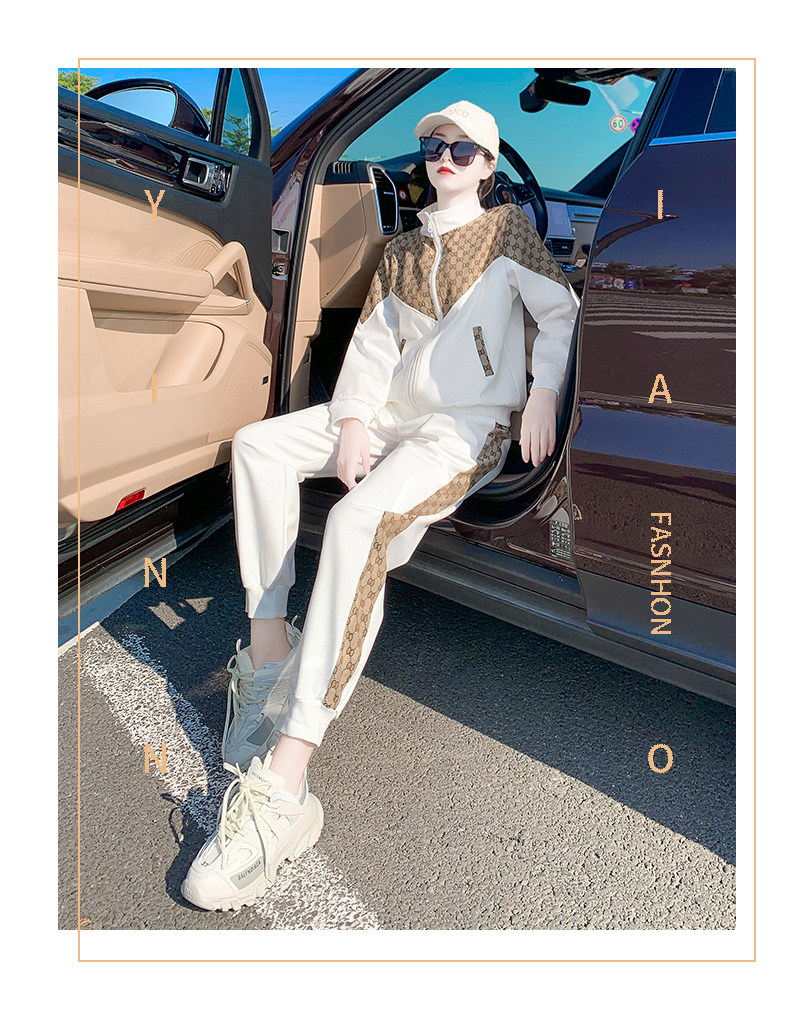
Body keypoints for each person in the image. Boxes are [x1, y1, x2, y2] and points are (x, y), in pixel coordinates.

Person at [181, 100, 580, 912]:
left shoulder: (507, 233)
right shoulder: (401, 248)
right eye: (434, 144)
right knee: (258, 446)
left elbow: (559, 310)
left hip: (467, 427)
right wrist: (356, 420)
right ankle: (268, 654)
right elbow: (369, 343)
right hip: (395, 414)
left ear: (488, 165)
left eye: (463, 149)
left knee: (357, 522)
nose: (445, 156)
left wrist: (540, 393)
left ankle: (287, 782)